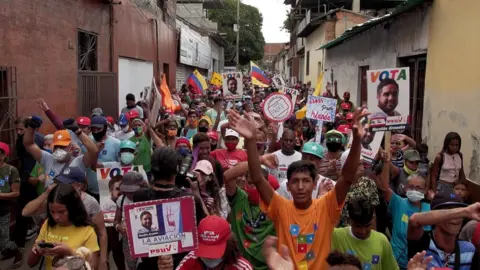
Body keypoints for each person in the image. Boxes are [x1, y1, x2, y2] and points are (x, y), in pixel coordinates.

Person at [226, 106, 369, 269]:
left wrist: (357, 140)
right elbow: (257, 178)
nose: (301, 187)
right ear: (288, 185)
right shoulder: (280, 207)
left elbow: (348, 177)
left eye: (306, 181)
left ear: (314, 183)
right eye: (295, 181)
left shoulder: (326, 206)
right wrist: (251, 141)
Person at [133, 147, 207, 269]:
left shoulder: (139, 196)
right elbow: (206, 225)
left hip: (148, 265)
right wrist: (197, 193)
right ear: (177, 170)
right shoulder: (190, 200)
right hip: (182, 265)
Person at [22, 167, 108, 270]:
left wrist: (69, 252)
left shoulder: (88, 231)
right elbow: (30, 263)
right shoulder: (49, 222)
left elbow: (91, 266)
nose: (56, 217)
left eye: (61, 212)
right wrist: (37, 251)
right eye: (52, 211)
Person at [376, 151, 431, 270]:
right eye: (411, 187)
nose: (414, 190)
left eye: (418, 188)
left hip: (417, 264)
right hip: (394, 262)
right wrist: (386, 163)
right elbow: (385, 187)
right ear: (405, 188)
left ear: (425, 191)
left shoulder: (429, 209)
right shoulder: (398, 202)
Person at [224, 161, 279, 269]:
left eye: (258, 183)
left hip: (267, 267)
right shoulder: (239, 198)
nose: (254, 187)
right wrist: (259, 160)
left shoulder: (276, 204)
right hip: (240, 266)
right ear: (245, 183)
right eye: (250, 183)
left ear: (266, 183)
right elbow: (227, 176)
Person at [408, 194, 480, 269]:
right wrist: (465, 211)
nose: (456, 218)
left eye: (460, 213)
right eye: (450, 212)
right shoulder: (422, 242)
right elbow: (414, 220)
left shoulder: (469, 249)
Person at [332, 197, 398, 269]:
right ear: (350, 220)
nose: (363, 231)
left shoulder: (382, 240)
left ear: (373, 218)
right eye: (358, 226)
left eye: (367, 226)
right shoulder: (336, 236)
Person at [174, 215, 253, 269]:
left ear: (229, 245)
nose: (209, 257)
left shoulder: (242, 267)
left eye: (214, 252)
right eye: (205, 251)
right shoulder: (191, 259)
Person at [113, 172, 148, 270]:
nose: (129, 194)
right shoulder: (122, 200)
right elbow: (116, 221)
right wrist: (119, 227)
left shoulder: (147, 198)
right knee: (131, 265)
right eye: (127, 191)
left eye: (132, 192)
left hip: (145, 238)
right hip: (128, 240)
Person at [87, 115, 121, 202]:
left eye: (99, 129)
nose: (96, 132)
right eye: (93, 129)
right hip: (90, 190)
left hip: (108, 191)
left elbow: (121, 165)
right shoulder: (88, 142)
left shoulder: (116, 143)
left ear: (105, 128)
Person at [0, 142, 21, 261]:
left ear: (5, 155)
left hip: (3, 209)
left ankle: (16, 251)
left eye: (1, 153)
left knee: (3, 243)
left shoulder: (11, 170)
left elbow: (16, 193)